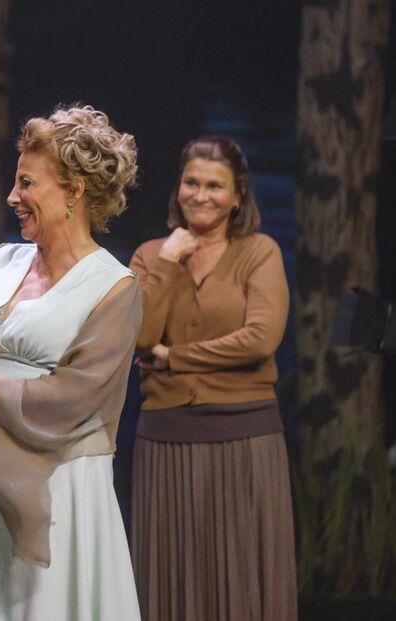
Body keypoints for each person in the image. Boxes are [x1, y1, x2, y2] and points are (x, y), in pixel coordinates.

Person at [0, 104, 142, 620]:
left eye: (27, 183)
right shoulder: (3, 260)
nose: (12, 197)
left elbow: (74, 397)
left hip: (60, 485)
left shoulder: (113, 287)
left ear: (74, 192)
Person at [128, 135, 296, 620]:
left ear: (238, 195)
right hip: (166, 438)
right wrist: (167, 262)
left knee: (242, 578)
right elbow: (139, 336)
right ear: (178, 187)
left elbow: (260, 339)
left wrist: (174, 357)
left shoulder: (259, 252)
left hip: (244, 436)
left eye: (215, 186)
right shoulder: (150, 255)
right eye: (191, 183)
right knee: (170, 578)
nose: (200, 195)